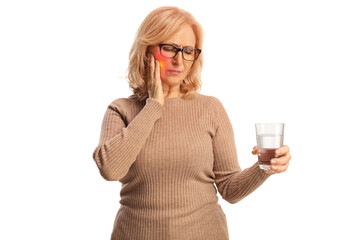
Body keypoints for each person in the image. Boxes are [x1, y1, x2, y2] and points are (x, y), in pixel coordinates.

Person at [92, 6, 291, 240]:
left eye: (188, 51)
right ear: (147, 50)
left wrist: (263, 167)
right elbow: (110, 170)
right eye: (169, 48)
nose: (179, 60)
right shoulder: (121, 110)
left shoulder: (211, 109)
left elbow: (229, 188)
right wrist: (154, 106)